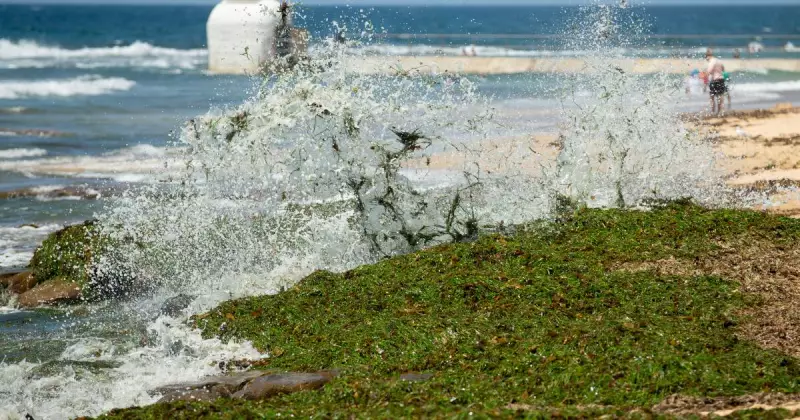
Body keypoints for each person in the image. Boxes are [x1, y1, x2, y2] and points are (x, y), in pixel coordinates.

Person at [705, 49, 726, 114]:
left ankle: (713, 111)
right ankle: (720, 111)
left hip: (715, 80)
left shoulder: (711, 61)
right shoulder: (719, 61)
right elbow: (723, 69)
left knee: (712, 97)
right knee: (720, 96)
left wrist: (704, 75)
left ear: (708, 56)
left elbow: (709, 71)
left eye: (706, 57)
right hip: (721, 79)